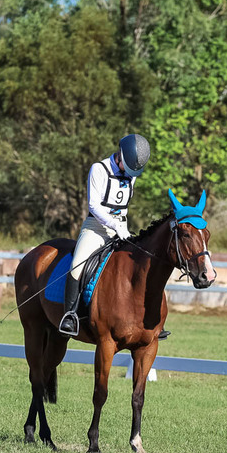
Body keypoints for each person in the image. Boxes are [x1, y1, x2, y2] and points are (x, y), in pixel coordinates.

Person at [58, 134, 151, 336]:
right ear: (120, 157)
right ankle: (70, 315)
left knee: (143, 264)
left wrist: (122, 226)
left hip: (121, 228)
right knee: (78, 265)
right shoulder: (98, 169)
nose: (132, 174)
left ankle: (148, 319)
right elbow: (93, 204)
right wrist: (113, 224)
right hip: (96, 227)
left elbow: (123, 206)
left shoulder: (132, 175)